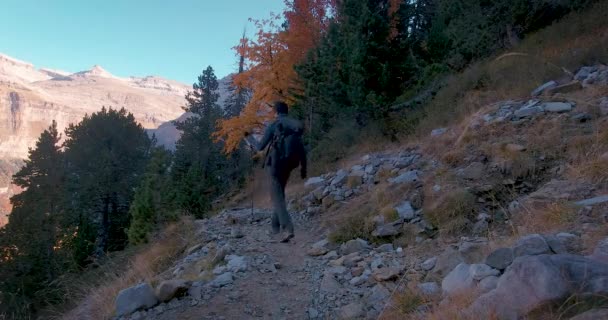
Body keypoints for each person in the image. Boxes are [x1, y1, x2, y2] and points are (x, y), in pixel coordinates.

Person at [245, 101, 307, 242]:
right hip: (290, 163)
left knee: (276, 196)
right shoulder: (294, 125)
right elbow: (301, 147)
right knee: (279, 193)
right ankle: (275, 226)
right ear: (287, 110)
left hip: (276, 164)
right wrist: (303, 167)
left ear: (276, 112)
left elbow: (260, 147)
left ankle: (288, 228)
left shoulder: (274, 125)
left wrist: (248, 137)